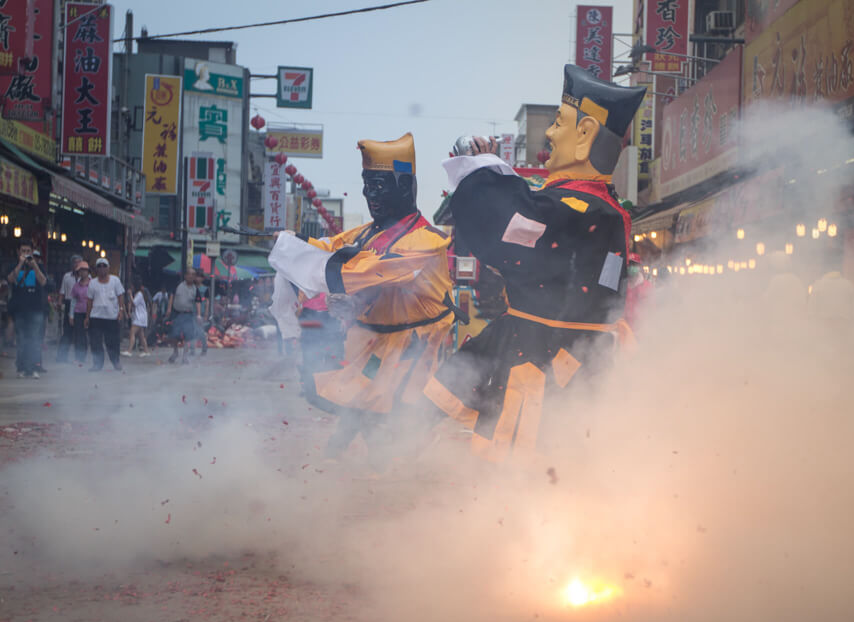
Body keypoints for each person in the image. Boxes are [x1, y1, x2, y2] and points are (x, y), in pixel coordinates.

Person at [425, 65, 646, 457]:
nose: (549, 134)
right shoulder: (595, 206)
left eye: (560, 123)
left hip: (551, 362)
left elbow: (515, 226)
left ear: (584, 136)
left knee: (529, 462)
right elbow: (531, 221)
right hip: (557, 353)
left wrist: (481, 168)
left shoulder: (586, 207)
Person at [269, 132, 458, 452]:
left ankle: (386, 462)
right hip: (374, 346)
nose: (369, 194)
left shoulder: (426, 240)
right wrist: (295, 241)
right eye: (367, 184)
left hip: (413, 350)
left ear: (404, 187)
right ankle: (362, 453)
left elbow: (370, 268)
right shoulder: (369, 233)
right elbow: (330, 246)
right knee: (356, 399)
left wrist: (301, 254)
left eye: (379, 186)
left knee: (390, 413)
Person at [7, 242, 48, 378]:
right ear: (18, 251)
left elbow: (43, 281)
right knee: (22, 340)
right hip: (19, 309)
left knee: (34, 339)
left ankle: (33, 367)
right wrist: (20, 264)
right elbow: (11, 279)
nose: (25, 253)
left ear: (32, 251)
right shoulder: (14, 266)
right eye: (23, 250)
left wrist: (34, 265)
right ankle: (22, 368)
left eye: (28, 251)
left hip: (35, 309)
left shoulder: (39, 266)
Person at [85, 257, 125, 372]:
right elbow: (89, 300)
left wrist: (121, 310)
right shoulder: (92, 283)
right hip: (96, 317)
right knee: (95, 342)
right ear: (96, 269)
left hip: (111, 317)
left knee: (113, 341)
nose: (102, 268)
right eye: (99, 266)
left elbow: (120, 296)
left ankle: (115, 361)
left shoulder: (115, 280)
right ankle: (97, 364)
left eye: (104, 266)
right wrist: (87, 317)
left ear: (108, 268)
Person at [166, 268, 200, 364]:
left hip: (188, 314)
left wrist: (199, 315)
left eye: (193, 274)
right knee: (174, 334)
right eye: (189, 274)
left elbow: (198, 302)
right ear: (185, 276)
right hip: (176, 313)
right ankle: (175, 352)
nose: (191, 276)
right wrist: (169, 309)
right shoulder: (178, 285)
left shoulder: (195, 289)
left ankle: (185, 356)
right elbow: (172, 296)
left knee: (187, 336)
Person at [56, 254, 82, 363]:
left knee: (80, 332)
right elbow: (62, 291)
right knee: (67, 331)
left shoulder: (86, 277)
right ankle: (62, 356)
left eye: (79, 262)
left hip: (81, 304)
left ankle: (80, 357)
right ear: (72, 264)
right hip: (68, 302)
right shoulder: (67, 276)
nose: (77, 264)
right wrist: (59, 302)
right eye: (75, 262)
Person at [70, 260, 91, 363]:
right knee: (78, 335)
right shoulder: (76, 286)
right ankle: (78, 357)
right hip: (78, 312)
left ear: (87, 271)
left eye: (84, 271)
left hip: (90, 313)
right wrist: (71, 315)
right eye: (80, 271)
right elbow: (73, 301)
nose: (82, 273)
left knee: (87, 335)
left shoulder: (92, 284)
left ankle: (85, 355)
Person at [124, 279, 151, 357]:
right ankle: (146, 351)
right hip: (140, 316)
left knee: (132, 333)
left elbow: (134, 303)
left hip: (139, 317)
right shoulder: (139, 294)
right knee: (141, 335)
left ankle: (129, 350)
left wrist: (130, 295)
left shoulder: (139, 294)